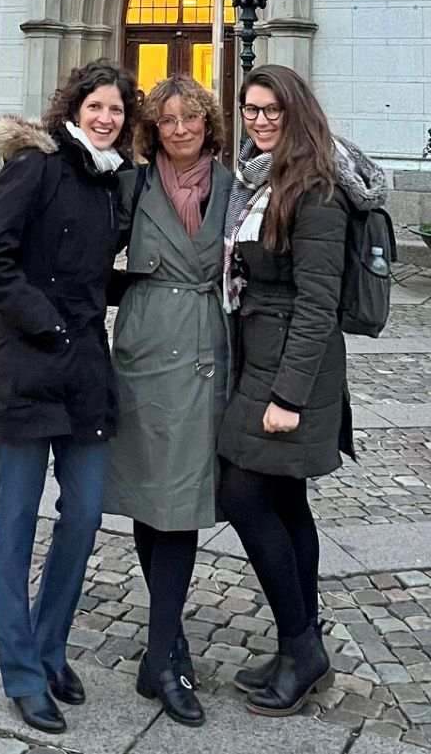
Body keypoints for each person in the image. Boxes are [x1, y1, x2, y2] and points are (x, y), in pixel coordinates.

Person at [0, 60, 137, 735]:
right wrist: (49, 321)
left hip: (83, 371)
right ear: (75, 106)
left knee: (86, 513)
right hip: (28, 364)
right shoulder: (35, 164)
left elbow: (91, 273)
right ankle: (21, 670)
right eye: (97, 106)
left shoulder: (108, 181)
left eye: (118, 110)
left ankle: (50, 645)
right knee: (15, 519)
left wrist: (154, 286)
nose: (106, 117)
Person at [217, 63, 388, 718]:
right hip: (261, 352)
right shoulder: (265, 176)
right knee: (284, 498)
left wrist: (286, 396)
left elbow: (317, 301)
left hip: (294, 366)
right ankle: (299, 648)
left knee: (241, 490)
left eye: (271, 109)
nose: (259, 119)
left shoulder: (316, 186)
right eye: (251, 108)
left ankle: (303, 644)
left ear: (297, 111)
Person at [105, 76, 233, 728]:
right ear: (152, 128)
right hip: (144, 348)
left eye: (190, 117)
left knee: (179, 503)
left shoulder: (233, 188)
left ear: (208, 123)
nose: (179, 128)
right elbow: (88, 251)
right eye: (166, 120)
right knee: (149, 496)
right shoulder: (133, 184)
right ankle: (167, 648)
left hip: (204, 350)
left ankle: (164, 656)